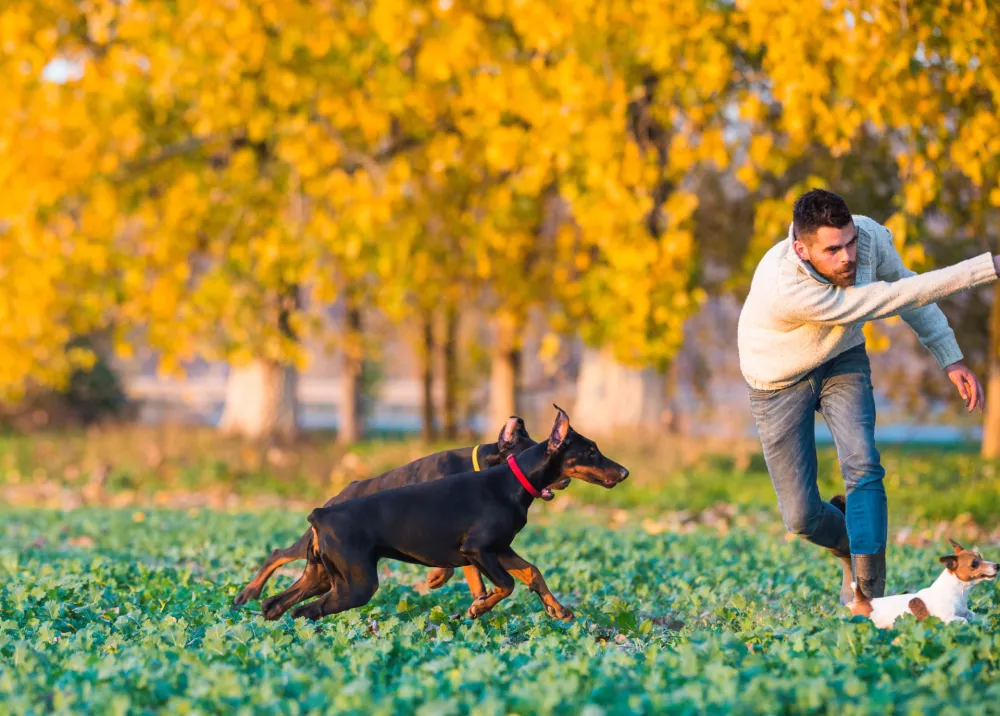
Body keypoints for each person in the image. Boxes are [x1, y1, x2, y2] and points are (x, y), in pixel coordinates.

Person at [737, 188, 1000, 603]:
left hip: (841, 357)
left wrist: (950, 357)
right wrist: (989, 267)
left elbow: (908, 286)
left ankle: (868, 601)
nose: (848, 257)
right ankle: (850, 541)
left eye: (850, 241)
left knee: (863, 464)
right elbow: (890, 299)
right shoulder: (785, 287)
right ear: (802, 250)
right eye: (832, 250)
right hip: (777, 380)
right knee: (801, 517)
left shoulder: (870, 237)